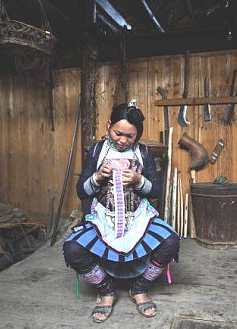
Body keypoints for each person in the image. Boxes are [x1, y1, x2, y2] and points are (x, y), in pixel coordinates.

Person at [63, 101, 179, 323]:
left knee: (171, 242)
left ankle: (140, 288)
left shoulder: (143, 152)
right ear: (108, 126)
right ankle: (107, 290)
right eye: (118, 133)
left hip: (137, 217)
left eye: (130, 136)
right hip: (103, 218)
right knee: (72, 249)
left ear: (138, 135)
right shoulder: (97, 151)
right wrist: (97, 177)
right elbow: (81, 193)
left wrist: (138, 179)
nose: (123, 140)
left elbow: (155, 190)